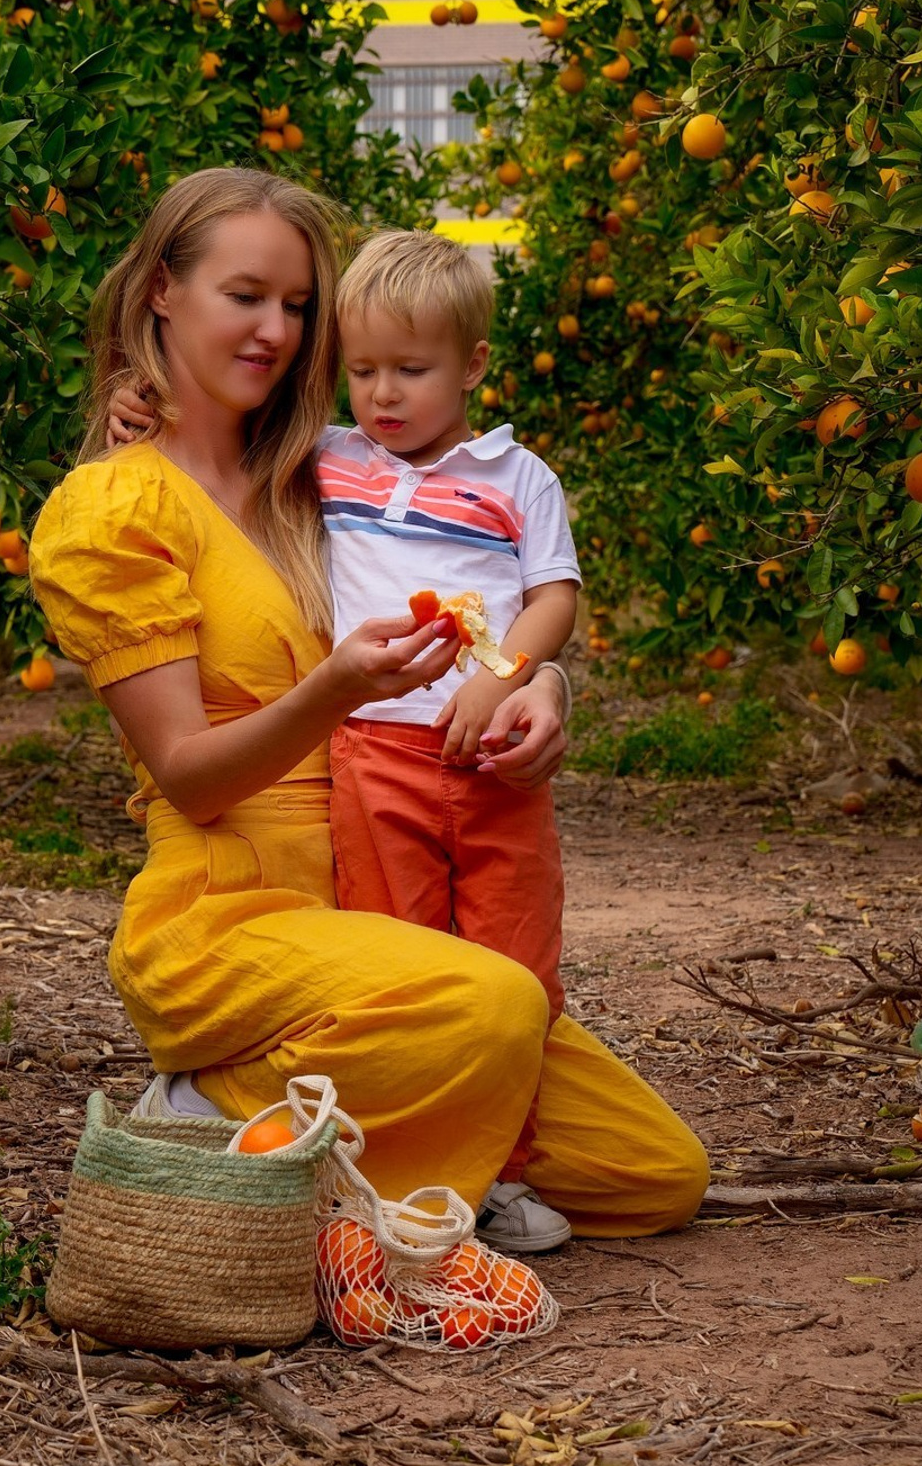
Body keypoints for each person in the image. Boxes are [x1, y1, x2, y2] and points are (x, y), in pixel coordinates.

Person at [28, 166, 707, 1238]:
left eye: (299, 307)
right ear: (163, 289)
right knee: (494, 1006)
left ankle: (336, 1152)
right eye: (244, 294)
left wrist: (539, 680)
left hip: (376, 904)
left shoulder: (318, 475)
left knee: (653, 1171)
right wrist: (331, 687)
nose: (275, 331)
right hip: (229, 918)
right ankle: (218, 1101)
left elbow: (491, 587)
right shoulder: (116, 507)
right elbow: (190, 776)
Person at [109, 225, 583, 1251]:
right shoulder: (331, 463)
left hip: (492, 764)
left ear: (475, 367)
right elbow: (207, 457)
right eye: (361, 371)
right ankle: (376, 1160)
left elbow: (555, 594)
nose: (383, 395)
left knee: (516, 963)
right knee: (401, 950)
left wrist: (510, 674)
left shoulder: (516, 478)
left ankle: (497, 1171)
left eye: (410, 371)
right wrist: (136, 407)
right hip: (373, 756)